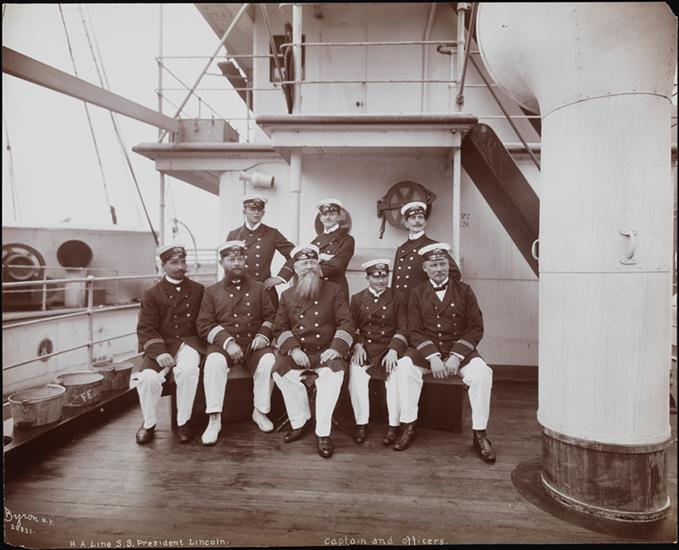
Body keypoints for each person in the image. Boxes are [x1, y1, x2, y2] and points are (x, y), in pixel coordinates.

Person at [393, 243, 496, 462]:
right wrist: (433, 357)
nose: (439, 269)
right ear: (425, 268)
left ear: (449, 265)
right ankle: (409, 425)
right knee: (404, 368)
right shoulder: (416, 293)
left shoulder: (464, 290)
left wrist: (456, 356)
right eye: (434, 265)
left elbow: (476, 327)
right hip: (427, 352)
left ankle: (480, 433)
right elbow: (414, 330)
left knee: (482, 373)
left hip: (459, 350)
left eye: (442, 264)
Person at [272, 244, 354, 458]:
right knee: (280, 372)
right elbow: (279, 328)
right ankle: (300, 420)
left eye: (312, 262)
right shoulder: (287, 295)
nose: (309, 267)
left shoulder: (334, 290)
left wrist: (335, 349)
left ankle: (323, 432)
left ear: (318, 266)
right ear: (295, 268)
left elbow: (346, 323)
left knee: (334, 375)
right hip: (299, 353)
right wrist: (293, 350)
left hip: (325, 352)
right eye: (304, 263)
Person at [196, 240, 276, 445]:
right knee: (213, 363)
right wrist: (228, 343)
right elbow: (204, 324)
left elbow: (271, 317)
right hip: (224, 345)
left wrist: (263, 335)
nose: (237, 263)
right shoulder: (212, 291)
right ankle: (214, 418)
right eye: (231, 259)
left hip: (253, 343)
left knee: (268, 360)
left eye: (240, 258)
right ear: (221, 262)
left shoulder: (259, 288)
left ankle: (260, 411)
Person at [135, 243, 205, 444]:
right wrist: (159, 353)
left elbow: (205, 321)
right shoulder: (152, 294)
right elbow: (146, 328)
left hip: (190, 343)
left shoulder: (199, 290)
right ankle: (149, 423)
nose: (180, 267)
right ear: (163, 265)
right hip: (162, 344)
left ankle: (183, 422)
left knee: (188, 371)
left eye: (183, 261)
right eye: (174, 263)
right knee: (147, 378)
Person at [348, 259, 409, 445]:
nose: (381, 281)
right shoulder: (357, 299)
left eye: (384, 276)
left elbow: (404, 328)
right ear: (367, 278)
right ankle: (361, 423)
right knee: (356, 376)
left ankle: (393, 425)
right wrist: (357, 346)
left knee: (395, 378)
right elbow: (350, 327)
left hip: (388, 348)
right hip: (365, 348)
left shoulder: (398, 298)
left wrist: (394, 350)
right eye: (376, 277)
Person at [226, 193, 295, 309]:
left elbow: (295, 254)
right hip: (240, 290)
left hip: (265, 290)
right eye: (252, 209)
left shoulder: (272, 233)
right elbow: (227, 263)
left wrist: (281, 277)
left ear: (263, 213)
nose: (256, 213)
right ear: (244, 211)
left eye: (260, 209)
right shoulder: (233, 235)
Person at [392, 201, 460, 297]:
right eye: (413, 218)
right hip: (400, 302)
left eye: (420, 217)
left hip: (421, 302)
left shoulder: (433, 246)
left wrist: (434, 295)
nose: (417, 221)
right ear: (406, 223)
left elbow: (454, 274)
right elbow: (395, 281)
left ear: (425, 222)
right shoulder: (401, 249)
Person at [309, 198, 355, 302]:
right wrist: (330, 257)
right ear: (321, 218)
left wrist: (321, 258)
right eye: (325, 215)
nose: (328, 217)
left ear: (339, 217)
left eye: (332, 214)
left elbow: (339, 264)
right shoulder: (316, 240)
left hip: (337, 288)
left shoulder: (347, 239)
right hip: (318, 288)